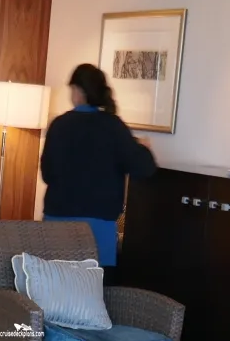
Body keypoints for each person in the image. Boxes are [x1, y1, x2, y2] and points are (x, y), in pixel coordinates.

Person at [38, 63, 157, 268]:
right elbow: (145, 168)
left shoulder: (59, 125)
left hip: (56, 223)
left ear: (77, 91)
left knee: (53, 282)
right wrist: (140, 147)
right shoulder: (113, 127)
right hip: (96, 229)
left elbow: (47, 174)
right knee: (94, 285)